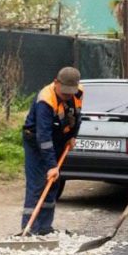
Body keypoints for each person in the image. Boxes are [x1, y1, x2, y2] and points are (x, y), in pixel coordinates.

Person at [20, 66, 83, 235]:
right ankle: (29, 229)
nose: (68, 96)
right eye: (64, 93)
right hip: (36, 140)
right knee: (38, 183)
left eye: (71, 92)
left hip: (59, 138)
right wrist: (51, 165)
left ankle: (45, 228)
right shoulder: (45, 100)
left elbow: (78, 115)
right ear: (56, 82)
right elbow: (43, 136)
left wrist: (72, 135)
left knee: (53, 184)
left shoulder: (78, 92)